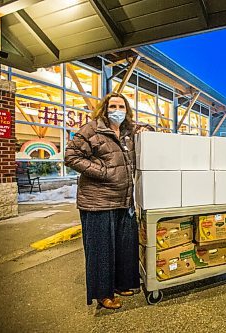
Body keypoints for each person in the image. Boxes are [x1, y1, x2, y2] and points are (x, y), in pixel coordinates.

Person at [65, 92, 151, 309]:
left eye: (121, 106)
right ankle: (103, 294)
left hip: (123, 200)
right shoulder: (92, 129)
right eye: (113, 106)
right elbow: (71, 156)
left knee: (124, 246)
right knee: (101, 250)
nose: (117, 110)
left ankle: (122, 283)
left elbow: (147, 131)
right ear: (104, 108)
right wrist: (103, 172)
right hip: (98, 201)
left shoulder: (127, 132)